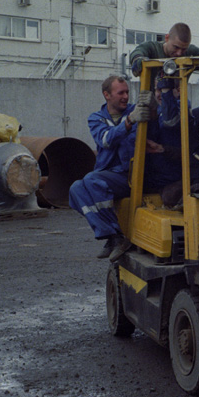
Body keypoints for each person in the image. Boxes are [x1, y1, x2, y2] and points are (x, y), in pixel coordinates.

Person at [69, 75, 152, 261]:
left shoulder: (136, 111)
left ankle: (113, 236)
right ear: (107, 95)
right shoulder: (96, 119)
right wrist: (129, 122)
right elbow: (106, 140)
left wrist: (152, 105)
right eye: (120, 92)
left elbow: (158, 116)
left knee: (91, 180)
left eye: (127, 92)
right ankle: (113, 236)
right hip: (109, 176)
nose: (125, 96)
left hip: (133, 177)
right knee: (75, 189)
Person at [129, 22, 199, 80]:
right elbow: (137, 52)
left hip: (179, 101)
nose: (179, 53)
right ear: (167, 38)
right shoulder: (151, 48)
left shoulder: (190, 52)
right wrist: (138, 61)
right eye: (176, 47)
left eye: (184, 49)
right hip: (149, 100)